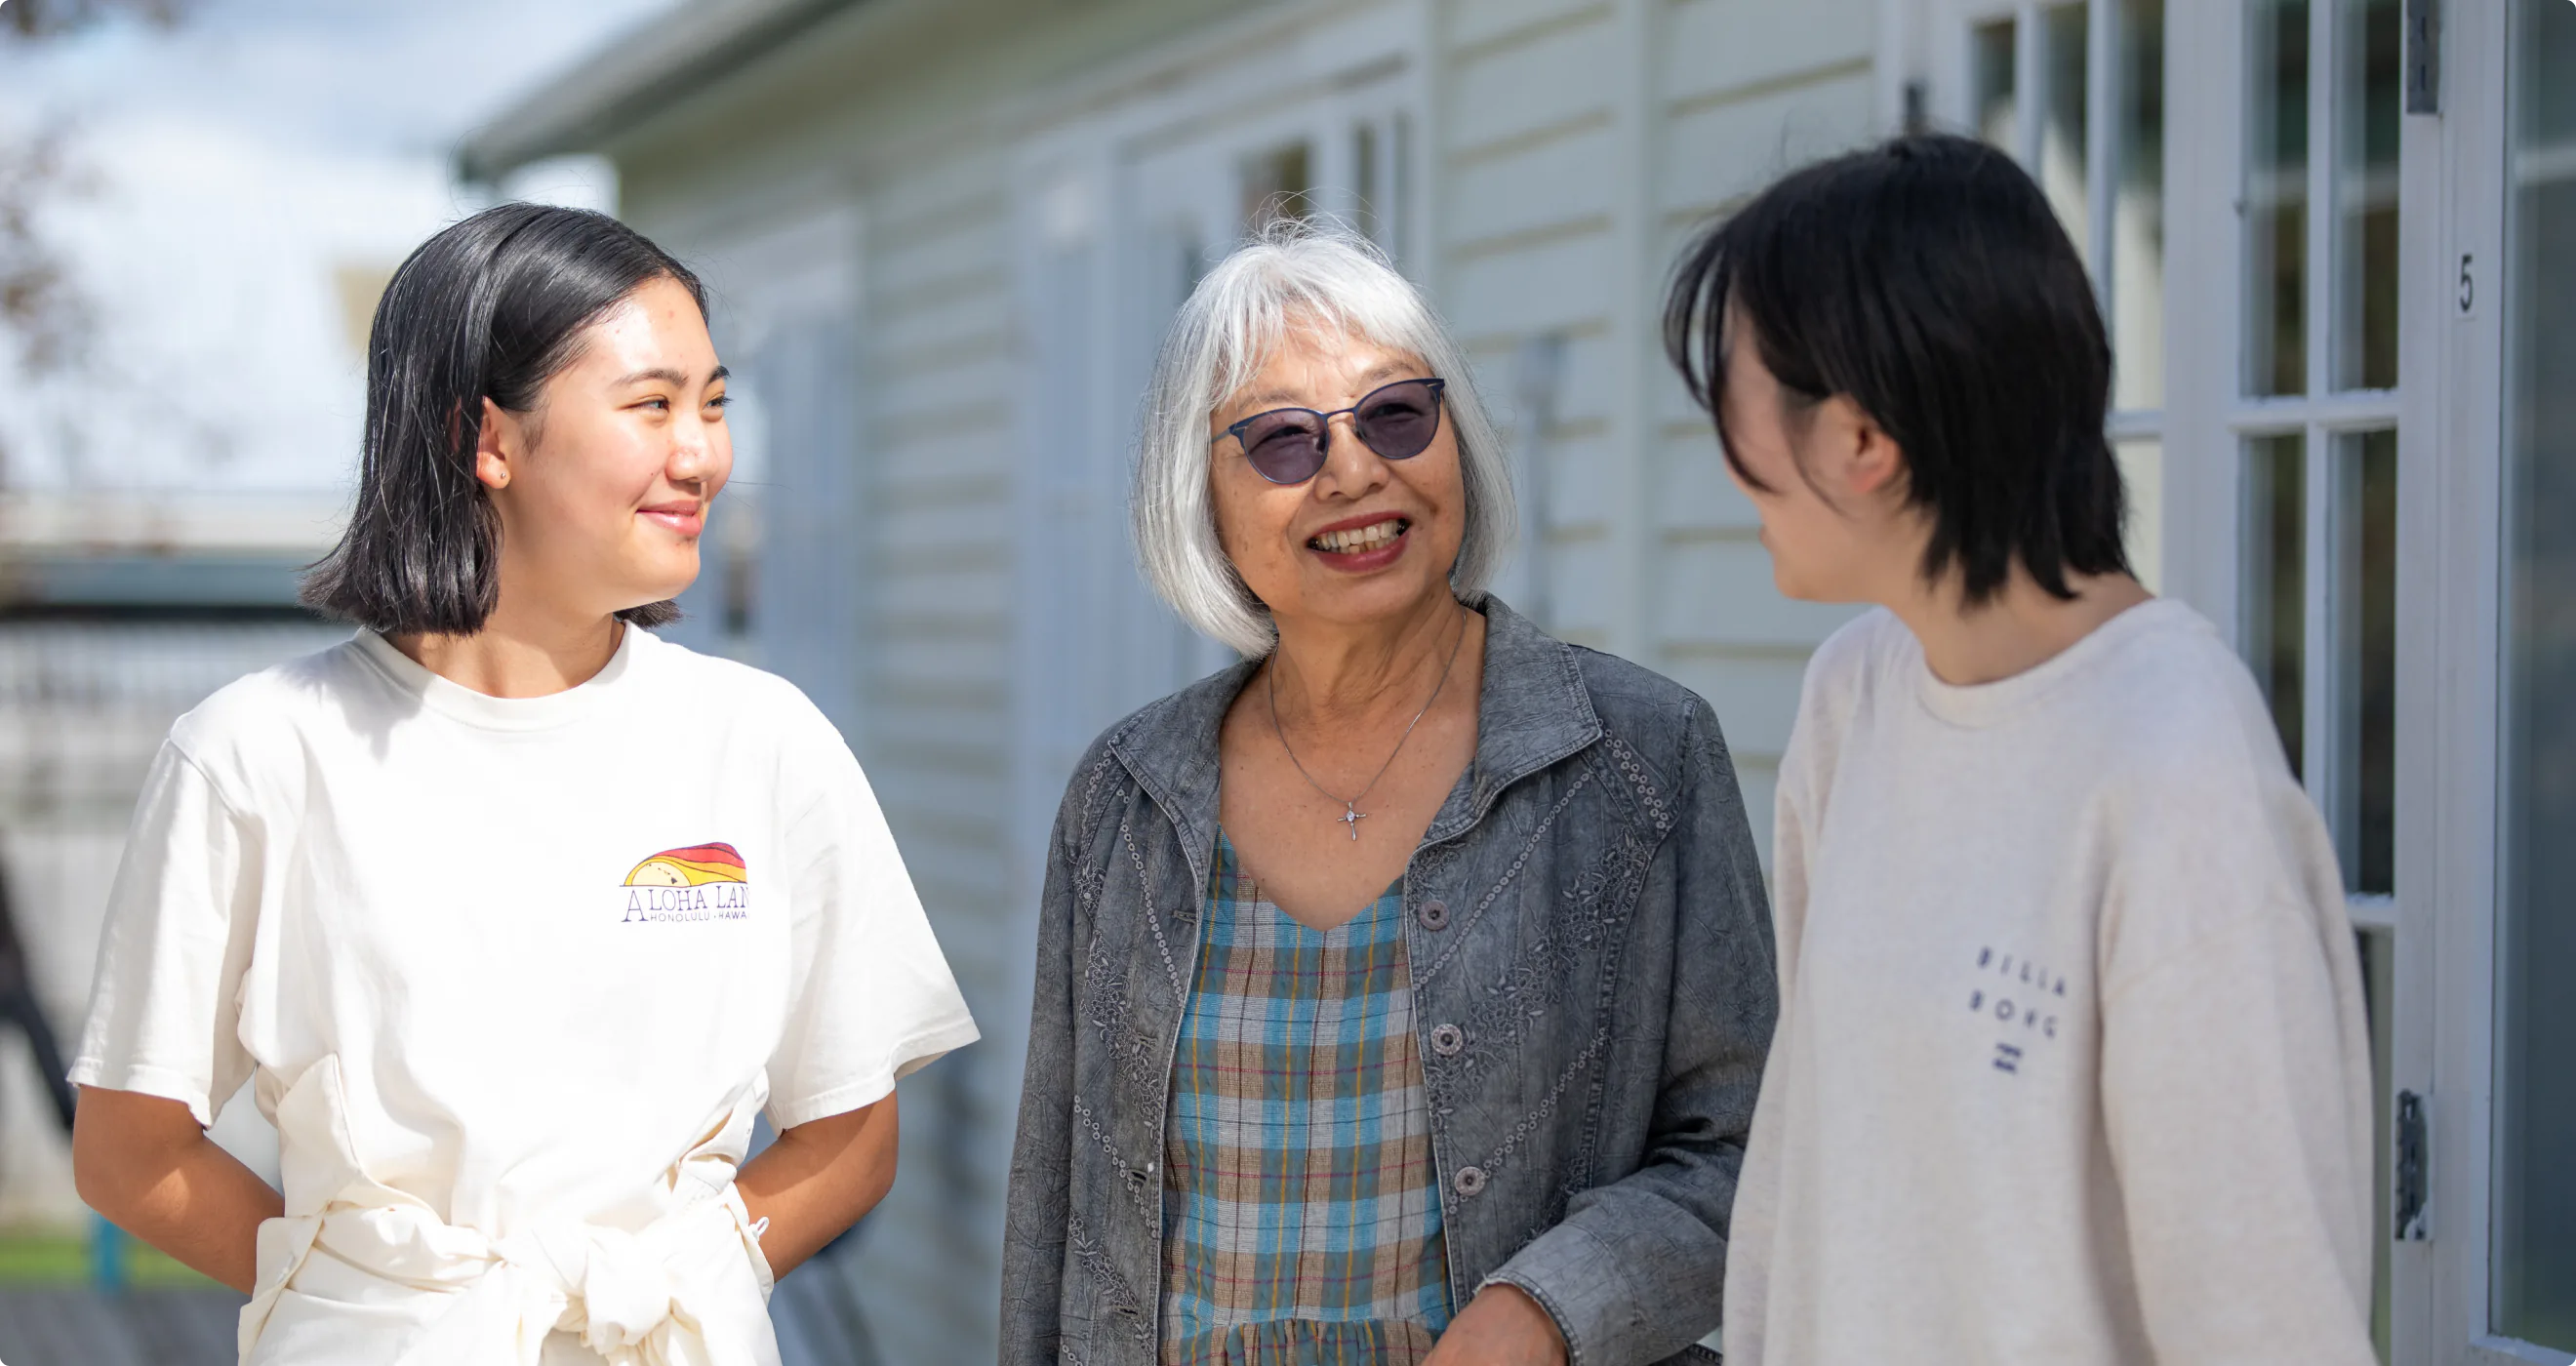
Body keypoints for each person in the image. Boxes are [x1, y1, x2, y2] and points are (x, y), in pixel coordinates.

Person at [67, 203, 978, 1366]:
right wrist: (370, 1302)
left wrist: (666, 1282)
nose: (701, 453)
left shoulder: (763, 742)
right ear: (484, 437)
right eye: (651, 405)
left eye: (713, 403)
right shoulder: (257, 752)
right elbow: (129, 1152)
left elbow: (850, 1136)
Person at [1000, 221, 1777, 1366]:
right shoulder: (1127, 800)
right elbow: (1053, 1216)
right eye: (1280, 441)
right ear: (1198, 494)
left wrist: (1546, 1308)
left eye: (1396, 415)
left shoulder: (1637, 760)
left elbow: (1749, 1151)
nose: (1353, 469)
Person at [1665, 135, 2377, 1363]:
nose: (1724, 452)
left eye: (1735, 398)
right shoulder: (1854, 701)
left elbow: (2265, 1309)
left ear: (1860, 440)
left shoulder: (2173, 765)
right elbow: (1799, 1159)